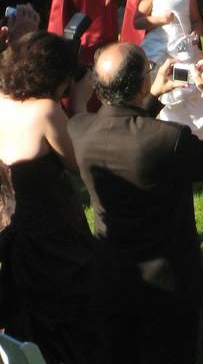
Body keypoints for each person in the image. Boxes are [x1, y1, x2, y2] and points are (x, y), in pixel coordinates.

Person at [68, 43, 203, 364]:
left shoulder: (78, 130)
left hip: (110, 281)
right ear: (142, 82)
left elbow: (124, 127)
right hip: (168, 289)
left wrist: (153, 97)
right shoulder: (170, 138)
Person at [0, 32, 102, 363]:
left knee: (23, 311)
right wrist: (82, 103)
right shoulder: (45, 110)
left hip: (10, 227)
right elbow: (78, 164)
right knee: (68, 311)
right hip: (51, 232)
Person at [134, 0, 203, 138]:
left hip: (183, 46)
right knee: (156, 79)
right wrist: (158, 20)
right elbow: (137, 21)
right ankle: (157, 125)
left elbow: (197, 21)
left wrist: (195, 35)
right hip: (159, 44)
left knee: (188, 86)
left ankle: (190, 129)